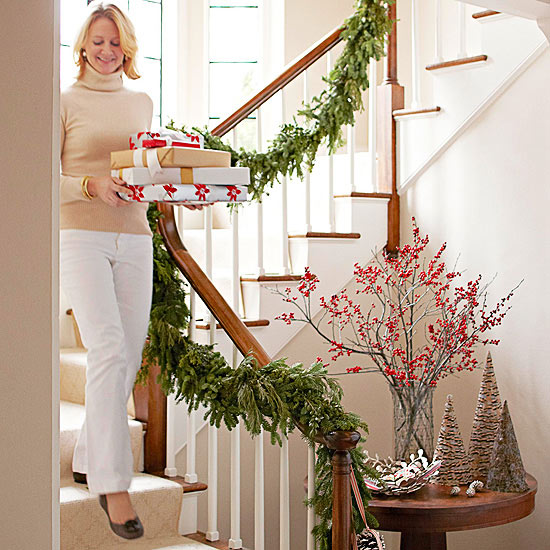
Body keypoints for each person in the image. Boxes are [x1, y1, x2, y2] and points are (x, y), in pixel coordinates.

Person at [60, 2, 164, 539]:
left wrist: (176, 190)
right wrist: (89, 184)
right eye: (97, 42)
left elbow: (148, 169)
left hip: (135, 236)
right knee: (105, 346)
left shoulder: (142, 103)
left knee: (127, 352)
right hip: (80, 234)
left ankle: (85, 452)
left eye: (115, 42)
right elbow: (40, 175)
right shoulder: (64, 102)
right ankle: (110, 481)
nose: (106, 51)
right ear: (83, 47)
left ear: (127, 48)